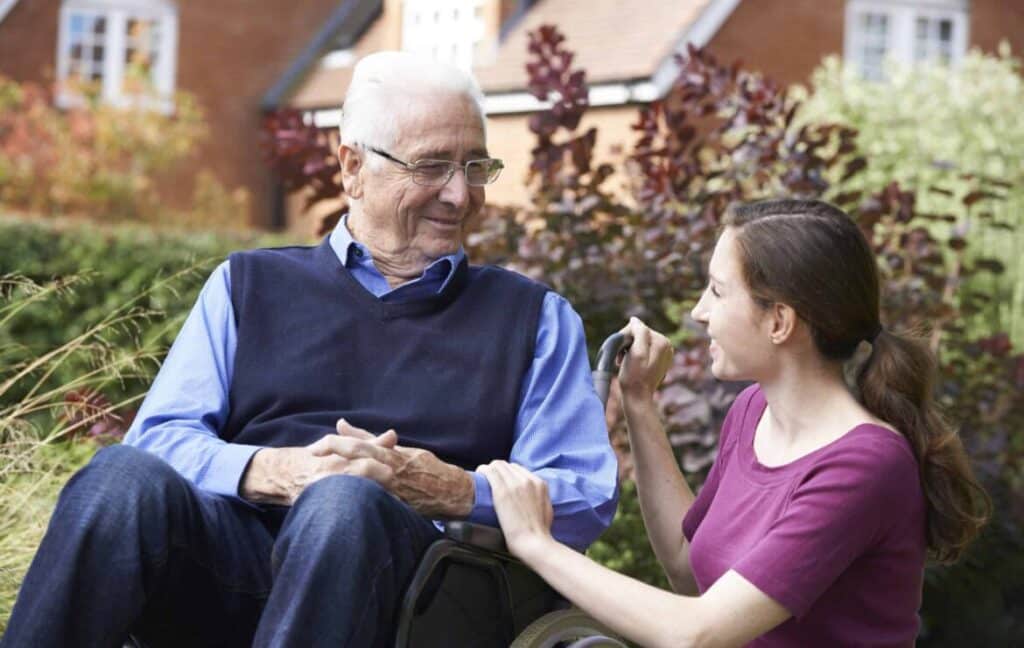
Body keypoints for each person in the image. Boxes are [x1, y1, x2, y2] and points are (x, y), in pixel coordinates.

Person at [2, 52, 618, 648]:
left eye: (475, 167)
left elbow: (583, 497)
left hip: (420, 595)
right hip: (230, 566)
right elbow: (159, 439)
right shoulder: (248, 286)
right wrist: (275, 471)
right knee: (118, 478)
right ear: (352, 166)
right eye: (431, 166)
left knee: (343, 503)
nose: (461, 195)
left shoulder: (533, 318)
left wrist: (456, 488)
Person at [481, 199, 990, 647]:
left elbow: (697, 632)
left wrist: (535, 545)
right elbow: (688, 569)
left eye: (718, 291)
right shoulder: (752, 412)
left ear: (779, 322)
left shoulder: (865, 466)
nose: (700, 312)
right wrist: (638, 401)